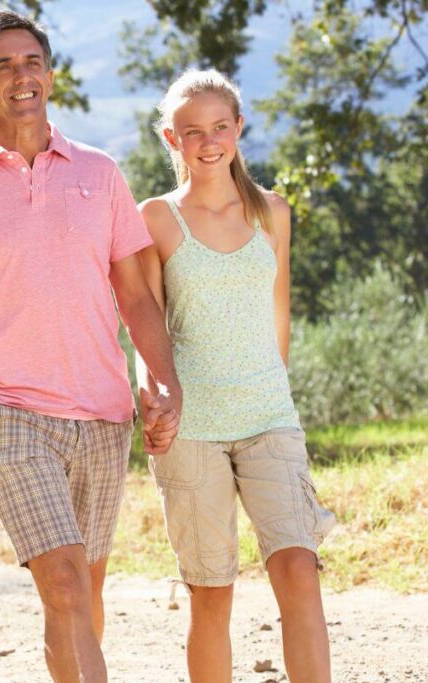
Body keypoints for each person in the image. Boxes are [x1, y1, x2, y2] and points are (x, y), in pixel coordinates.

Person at [0, 10, 182, 683]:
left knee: (81, 593)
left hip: (101, 411)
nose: (20, 77)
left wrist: (163, 378)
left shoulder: (100, 172)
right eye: (3, 67)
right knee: (61, 582)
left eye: (31, 62)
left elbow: (138, 296)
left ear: (51, 75)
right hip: (6, 410)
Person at [136, 69, 337, 683]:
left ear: (239, 129)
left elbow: (280, 318)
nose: (208, 140)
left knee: (299, 571)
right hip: (191, 427)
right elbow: (144, 323)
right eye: (192, 131)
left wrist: (280, 395)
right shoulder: (155, 219)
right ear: (172, 139)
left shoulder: (273, 213)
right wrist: (153, 398)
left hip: (269, 417)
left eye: (220, 126)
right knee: (211, 592)